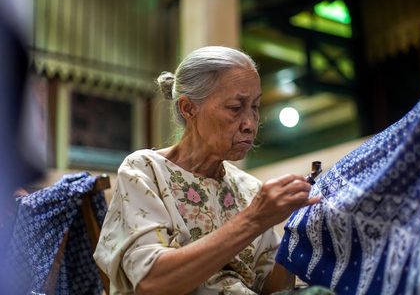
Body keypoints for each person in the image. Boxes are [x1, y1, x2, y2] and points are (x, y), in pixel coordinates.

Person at [94, 46, 321, 295]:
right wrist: (255, 219)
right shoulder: (146, 171)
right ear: (188, 108)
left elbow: (271, 290)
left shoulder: (250, 189)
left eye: (255, 107)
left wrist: (296, 234)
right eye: (236, 107)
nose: (250, 124)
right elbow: (151, 282)